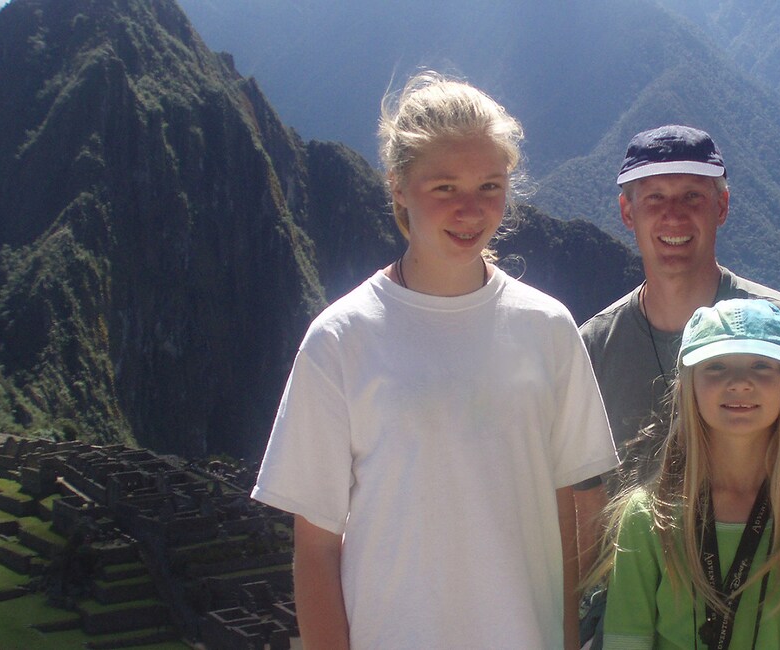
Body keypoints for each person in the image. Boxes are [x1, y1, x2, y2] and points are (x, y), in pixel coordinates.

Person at [250, 72, 617, 649]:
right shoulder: (341, 339)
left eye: (490, 186)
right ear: (398, 186)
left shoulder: (547, 328)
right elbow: (316, 551)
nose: (471, 210)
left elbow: (568, 512)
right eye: (444, 187)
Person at [580, 125, 780, 493]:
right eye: (655, 198)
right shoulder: (594, 351)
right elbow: (582, 503)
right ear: (627, 211)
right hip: (635, 553)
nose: (674, 215)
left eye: (692, 197)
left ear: (722, 207)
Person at [596, 299, 780, 649]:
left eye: (760, 365)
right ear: (687, 388)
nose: (739, 382)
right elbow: (626, 641)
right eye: (717, 366)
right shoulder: (649, 516)